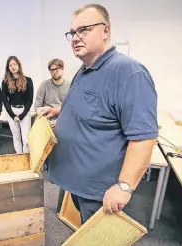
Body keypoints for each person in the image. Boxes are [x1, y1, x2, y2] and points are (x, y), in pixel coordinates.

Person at [40, 4, 158, 223]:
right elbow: (90, 106)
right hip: (78, 182)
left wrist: (124, 186)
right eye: (72, 33)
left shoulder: (129, 73)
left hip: (100, 192)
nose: (75, 37)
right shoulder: (85, 68)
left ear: (106, 31)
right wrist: (58, 111)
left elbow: (144, 138)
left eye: (84, 29)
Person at [2, 56, 34, 154]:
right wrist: (13, 115)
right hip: (12, 111)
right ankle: (19, 158)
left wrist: (22, 115)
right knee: (16, 137)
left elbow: (30, 99)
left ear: (19, 65)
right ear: (8, 68)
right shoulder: (5, 82)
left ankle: (26, 159)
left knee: (26, 139)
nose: (13, 67)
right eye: (10, 65)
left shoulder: (28, 80)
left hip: (24, 111)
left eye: (14, 64)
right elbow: (4, 99)